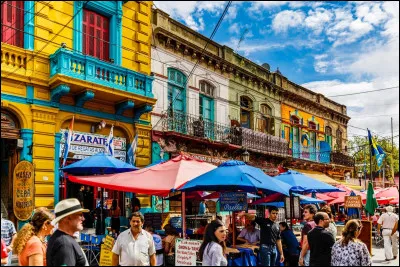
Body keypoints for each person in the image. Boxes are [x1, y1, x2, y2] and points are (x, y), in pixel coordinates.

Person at [46, 198, 89, 266]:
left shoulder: (62, 239)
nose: (83, 218)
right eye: (80, 215)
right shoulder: (64, 243)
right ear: (68, 218)